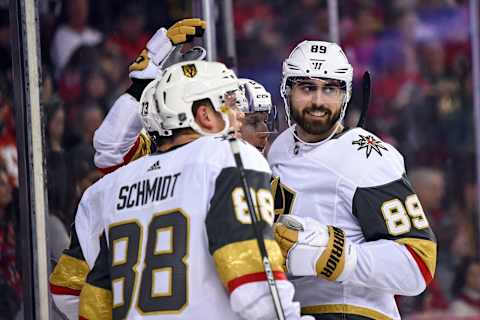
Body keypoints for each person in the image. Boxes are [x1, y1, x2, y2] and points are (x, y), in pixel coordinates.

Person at [76, 60, 306, 319]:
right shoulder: (229, 156)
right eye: (230, 102)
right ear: (204, 115)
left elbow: (94, 303)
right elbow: (255, 288)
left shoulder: (116, 184)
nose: (239, 114)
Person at [269, 40, 437, 319]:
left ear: (345, 95)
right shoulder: (279, 148)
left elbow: (419, 262)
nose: (318, 101)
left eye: (330, 89)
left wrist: (337, 257)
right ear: (287, 91)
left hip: (355, 312)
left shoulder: (368, 157)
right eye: (307, 88)